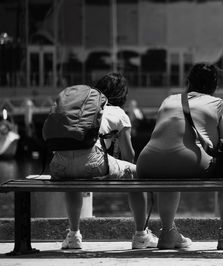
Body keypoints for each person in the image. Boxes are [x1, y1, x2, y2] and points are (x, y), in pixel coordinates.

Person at [136, 63, 223, 250]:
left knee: (168, 172)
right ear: (214, 84)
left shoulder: (169, 100)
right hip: (188, 160)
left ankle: (168, 233)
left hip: (147, 162)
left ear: (189, 81)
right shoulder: (218, 104)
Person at [49, 72, 158, 250]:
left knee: (71, 180)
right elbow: (129, 155)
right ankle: (141, 236)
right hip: (92, 161)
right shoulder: (118, 112)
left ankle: (73, 235)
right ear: (122, 95)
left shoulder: (81, 109)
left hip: (59, 165)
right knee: (137, 173)